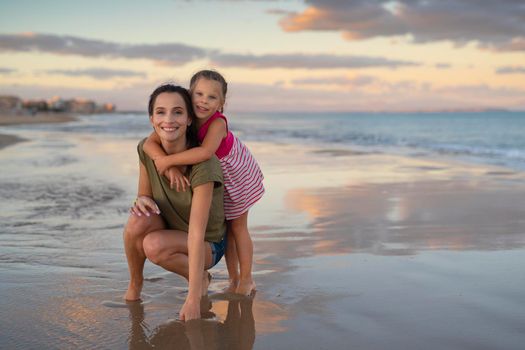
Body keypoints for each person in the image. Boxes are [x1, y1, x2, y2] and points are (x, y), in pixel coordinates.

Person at [143, 70, 264, 295]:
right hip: (217, 176)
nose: (203, 101)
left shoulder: (217, 123)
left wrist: (168, 161)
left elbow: (205, 152)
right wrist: (162, 161)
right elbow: (149, 142)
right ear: (190, 94)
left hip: (236, 177)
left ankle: (246, 279)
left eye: (211, 97)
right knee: (226, 229)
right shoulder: (185, 118)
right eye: (198, 94)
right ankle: (233, 278)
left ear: (221, 103)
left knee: (237, 228)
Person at [123, 84, 226, 321]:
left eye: (178, 112)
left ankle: (199, 278)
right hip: (173, 228)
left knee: (154, 245)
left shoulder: (204, 165)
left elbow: (197, 233)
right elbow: (144, 194)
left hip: (209, 243)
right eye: (161, 112)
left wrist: (193, 300)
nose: (168, 119)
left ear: (190, 119)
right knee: (137, 222)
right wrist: (143, 199)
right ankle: (135, 284)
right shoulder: (146, 149)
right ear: (151, 119)